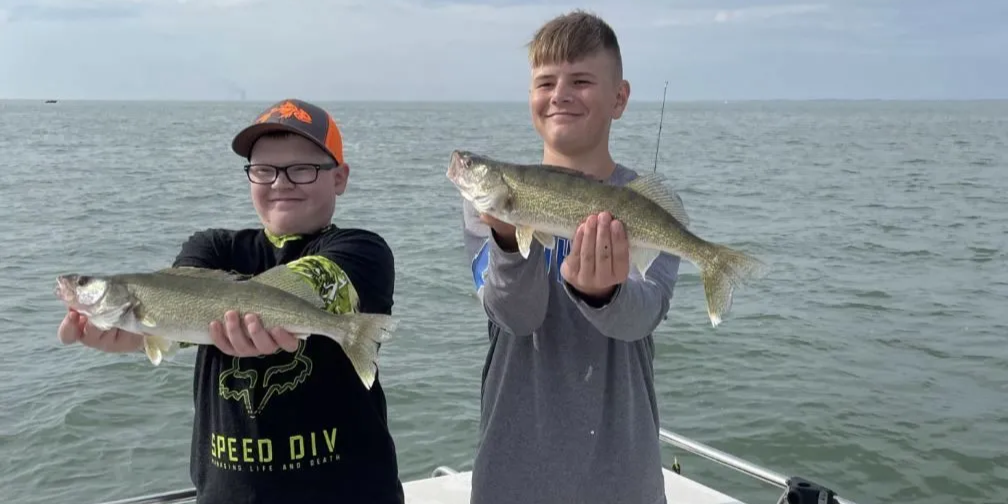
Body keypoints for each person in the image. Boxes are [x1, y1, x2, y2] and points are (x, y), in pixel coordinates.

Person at [57, 98, 404, 504]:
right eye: (264, 170)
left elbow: (311, 282)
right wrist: (134, 334)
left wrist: (262, 311)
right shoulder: (211, 248)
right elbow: (174, 318)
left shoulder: (362, 250)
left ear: (339, 178)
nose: (280, 183)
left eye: (302, 169)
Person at [460, 10, 686, 504]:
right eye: (545, 82)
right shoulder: (487, 208)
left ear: (619, 98)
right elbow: (514, 316)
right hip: (511, 479)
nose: (560, 94)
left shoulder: (648, 208)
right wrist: (506, 241)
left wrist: (605, 294)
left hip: (623, 481)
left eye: (581, 81)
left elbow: (642, 316)